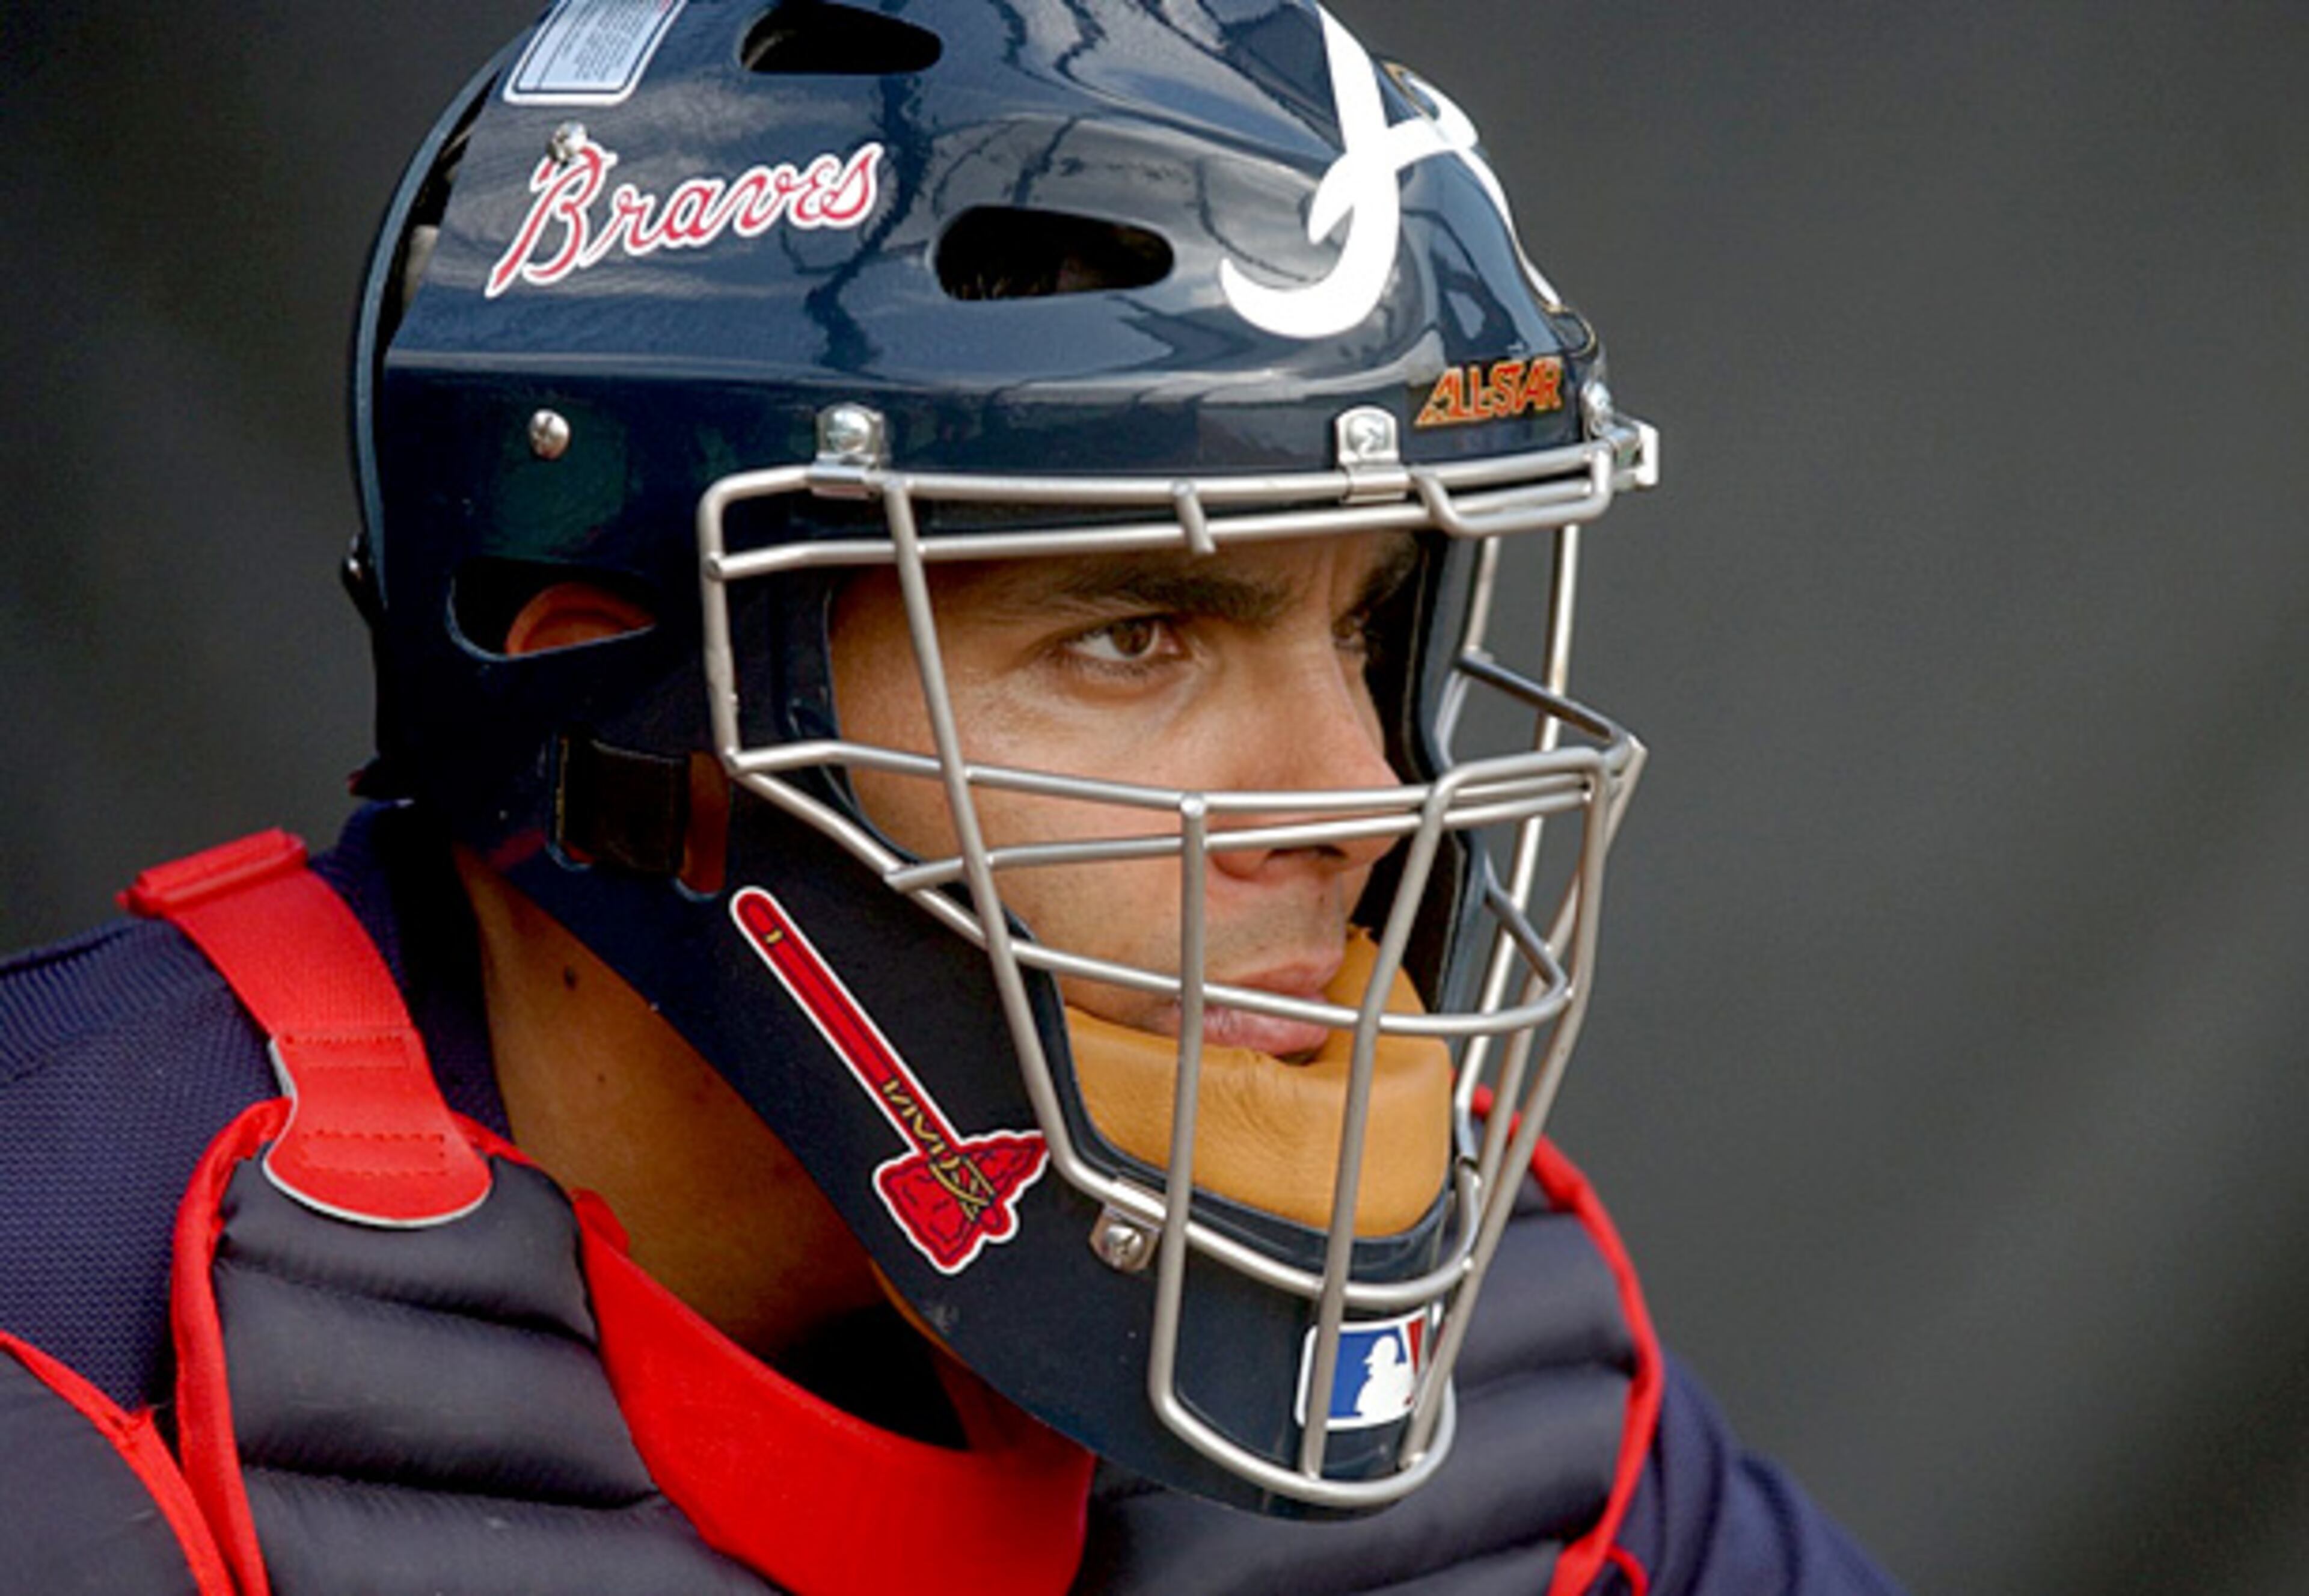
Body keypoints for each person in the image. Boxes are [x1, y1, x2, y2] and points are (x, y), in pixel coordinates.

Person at [0, 2, 1901, 1592]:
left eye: (1374, 627)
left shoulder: (1504, 1389)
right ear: (627, 689)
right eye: (1139, 636)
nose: (1372, 801)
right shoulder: (70, 1350)